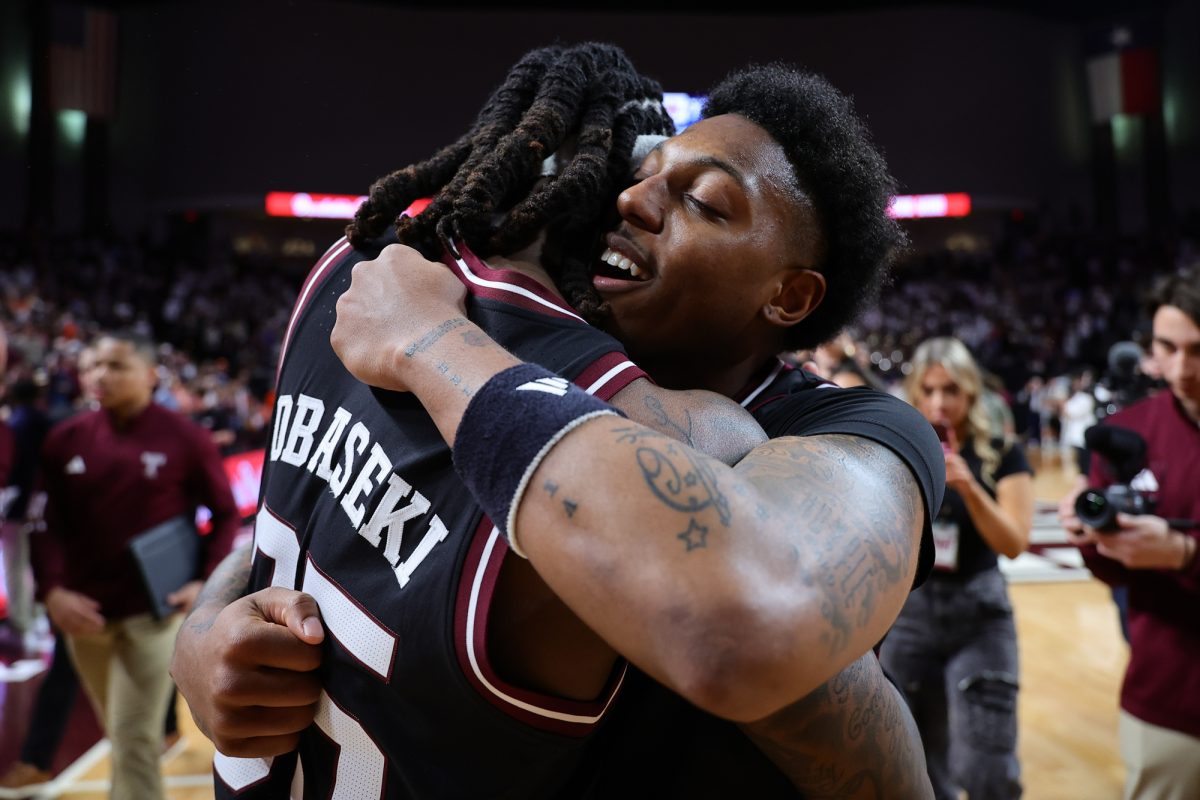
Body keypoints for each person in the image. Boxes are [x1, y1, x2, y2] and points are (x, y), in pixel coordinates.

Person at [172, 47, 942, 798]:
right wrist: (206, 628)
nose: (635, 203)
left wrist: (430, 344)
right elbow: (323, 509)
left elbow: (749, 628)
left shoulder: (856, 434)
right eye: (641, 176)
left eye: (704, 202)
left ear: (790, 297)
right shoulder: (526, 358)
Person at [29, 331, 240, 800]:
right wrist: (53, 591)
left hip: (156, 611)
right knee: (122, 735)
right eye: (90, 367)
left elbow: (225, 514)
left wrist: (203, 583)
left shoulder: (187, 437)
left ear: (149, 374)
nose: (99, 376)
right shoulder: (64, 439)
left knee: (133, 737)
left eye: (114, 365)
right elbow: (43, 526)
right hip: (85, 617)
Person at [1059, 269, 1200, 800]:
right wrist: (1090, 534)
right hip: (1167, 692)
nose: (1181, 369)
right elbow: (1112, 568)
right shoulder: (1129, 431)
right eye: (1168, 347)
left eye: (1198, 350)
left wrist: (1186, 554)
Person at [879, 336, 1034, 800]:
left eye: (950, 390)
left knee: (986, 766)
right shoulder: (900, 448)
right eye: (927, 391)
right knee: (918, 767)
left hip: (979, 614)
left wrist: (969, 487)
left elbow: (1013, 542)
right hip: (910, 613)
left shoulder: (1002, 452)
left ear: (970, 392)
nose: (938, 403)